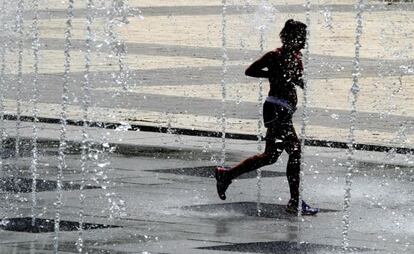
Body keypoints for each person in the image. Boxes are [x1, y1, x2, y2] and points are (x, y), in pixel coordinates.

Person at [214, 19, 319, 216]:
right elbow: (250, 71)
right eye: (302, 38)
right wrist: (272, 75)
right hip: (275, 109)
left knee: (270, 156)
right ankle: (295, 202)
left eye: (305, 38)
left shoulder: (297, 57)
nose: (304, 41)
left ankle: (226, 175)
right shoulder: (274, 55)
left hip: (285, 110)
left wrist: (298, 81)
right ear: (290, 38)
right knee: (295, 152)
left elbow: (294, 78)